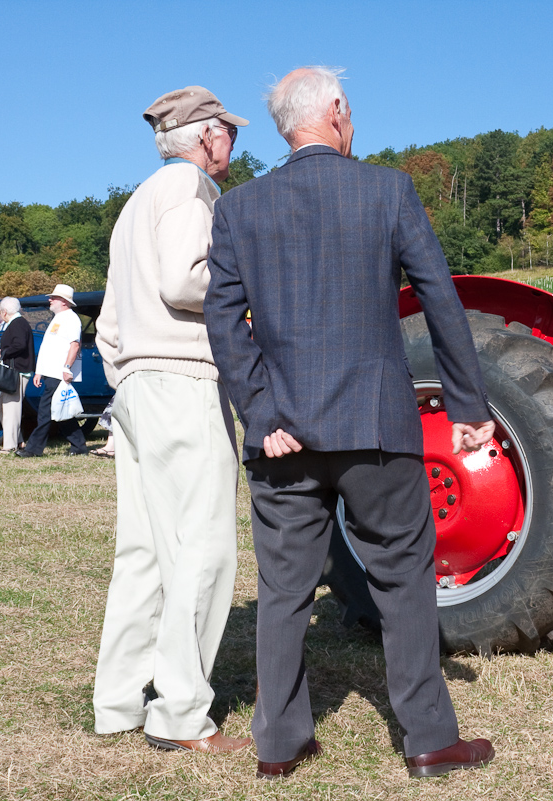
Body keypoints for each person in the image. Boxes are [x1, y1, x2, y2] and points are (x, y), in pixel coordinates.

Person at [204, 66, 497, 780]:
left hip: (282, 436)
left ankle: (277, 743)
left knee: (282, 590)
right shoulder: (386, 189)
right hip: (375, 425)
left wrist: (261, 411)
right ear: (334, 111)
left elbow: (221, 319)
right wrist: (467, 407)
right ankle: (428, 740)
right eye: (351, 108)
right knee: (401, 578)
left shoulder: (239, 207)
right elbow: (438, 297)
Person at [92, 86, 252, 754]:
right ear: (207, 136)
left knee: (145, 552)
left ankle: (118, 701)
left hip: (134, 380)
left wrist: (128, 372)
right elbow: (186, 281)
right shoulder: (191, 189)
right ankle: (181, 713)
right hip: (181, 378)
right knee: (204, 545)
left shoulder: (137, 201)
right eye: (230, 134)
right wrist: (248, 293)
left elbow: (109, 322)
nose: (234, 146)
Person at [17, 284, 87, 457]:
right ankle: (79, 447)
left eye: (53, 298)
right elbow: (49, 348)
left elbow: (74, 345)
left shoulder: (71, 319)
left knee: (45, 410)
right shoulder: (58, 318)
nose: (50, 300)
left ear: (64, 302)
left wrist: (67, 367)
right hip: (51, 373)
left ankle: (33, 449)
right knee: (60, 411)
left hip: (59, 373)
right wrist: (39, 371)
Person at [0, 297, 35, 454]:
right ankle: (18, 441)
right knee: (3, 407)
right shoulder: (18, 323)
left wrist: (2, 352)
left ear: (5, 312)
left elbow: (19, 345)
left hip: (17, 372)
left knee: (11, 409)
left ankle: (9, 446)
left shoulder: (18, 324)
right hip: (15, 371)